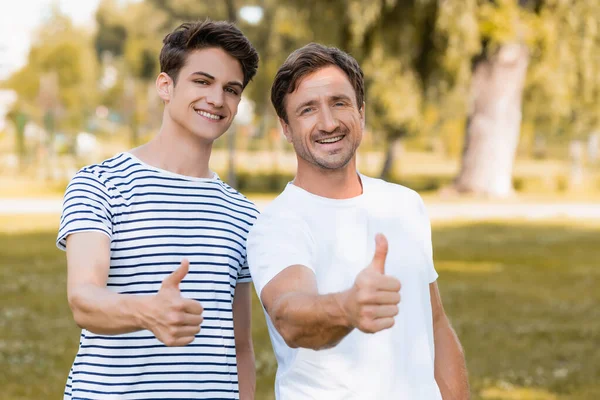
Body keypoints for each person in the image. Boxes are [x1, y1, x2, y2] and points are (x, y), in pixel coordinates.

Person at [246, 43, 469, 399]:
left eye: (339, 102)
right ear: (285, 128)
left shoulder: (405, 204)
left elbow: (436, 324)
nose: (329, 123)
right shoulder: (277, 224)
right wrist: (347, 307)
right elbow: (290, 317)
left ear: (361, 112)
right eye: (308, 110)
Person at [57, 20, 259, 400]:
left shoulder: (243, 213)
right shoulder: (101, 184)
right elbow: (83, 299)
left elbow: (241, 346)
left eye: (230, 89)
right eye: (202, 81)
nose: (217, 99)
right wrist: (148, 310)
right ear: (165, 86)